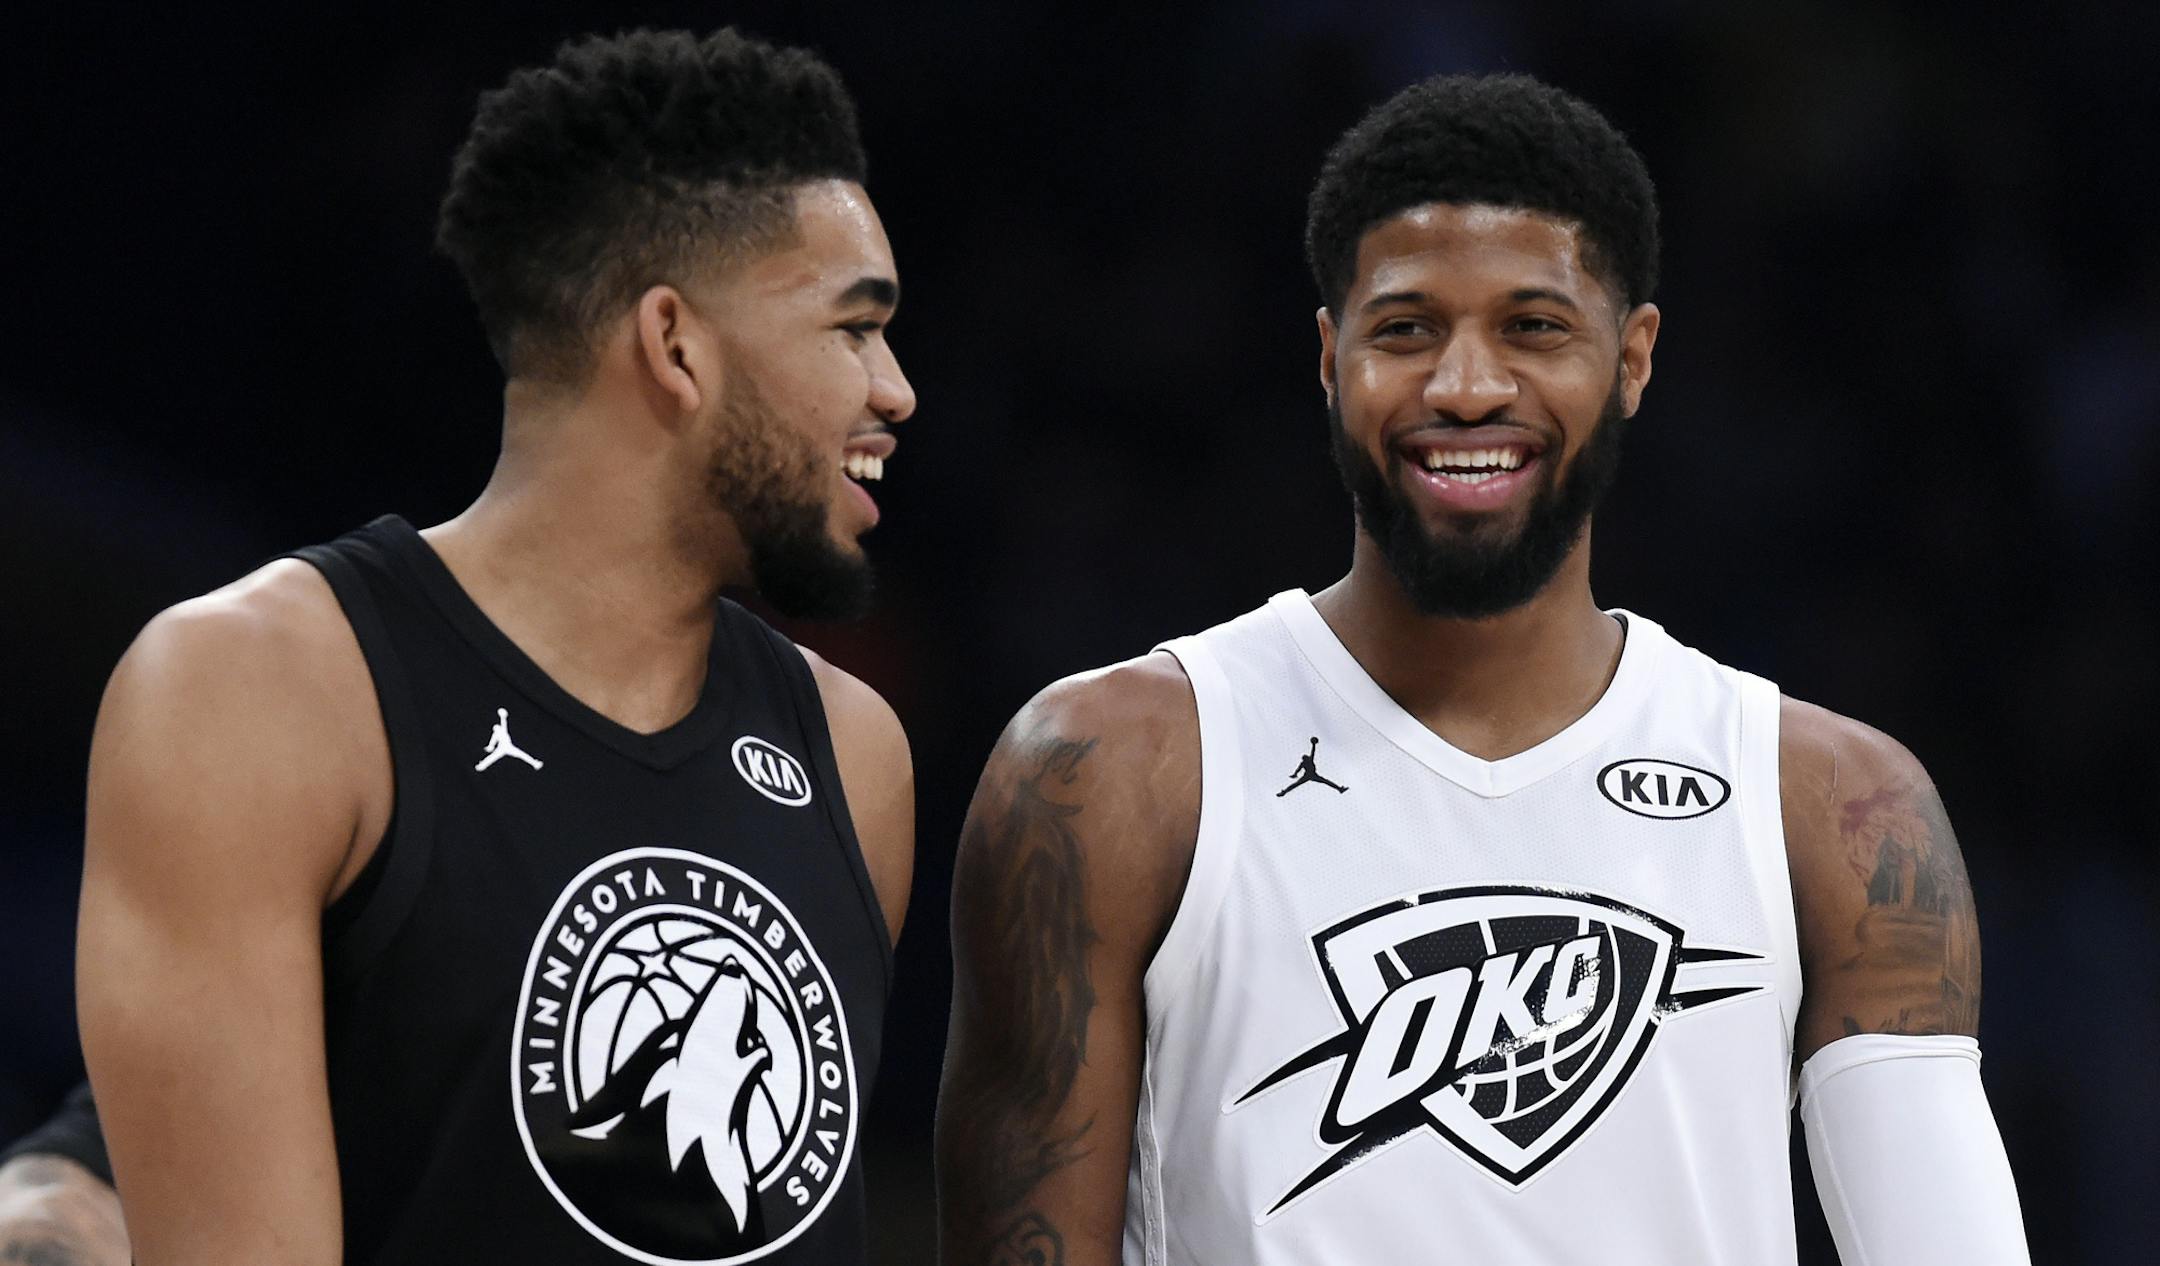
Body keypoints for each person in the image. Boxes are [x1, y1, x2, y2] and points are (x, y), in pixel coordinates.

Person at [936, 73, 2029, 1265]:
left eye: (1534, 327)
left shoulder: (1836, 808)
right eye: (1406, 329)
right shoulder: (1112, 773)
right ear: (1329, 357)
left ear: (1634, 358)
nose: (1465, 388)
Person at [46, 26, 915, 1265]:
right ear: (675, 345)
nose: (894, 389)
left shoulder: (853, 751)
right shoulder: (262, 690)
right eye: (853, 328)